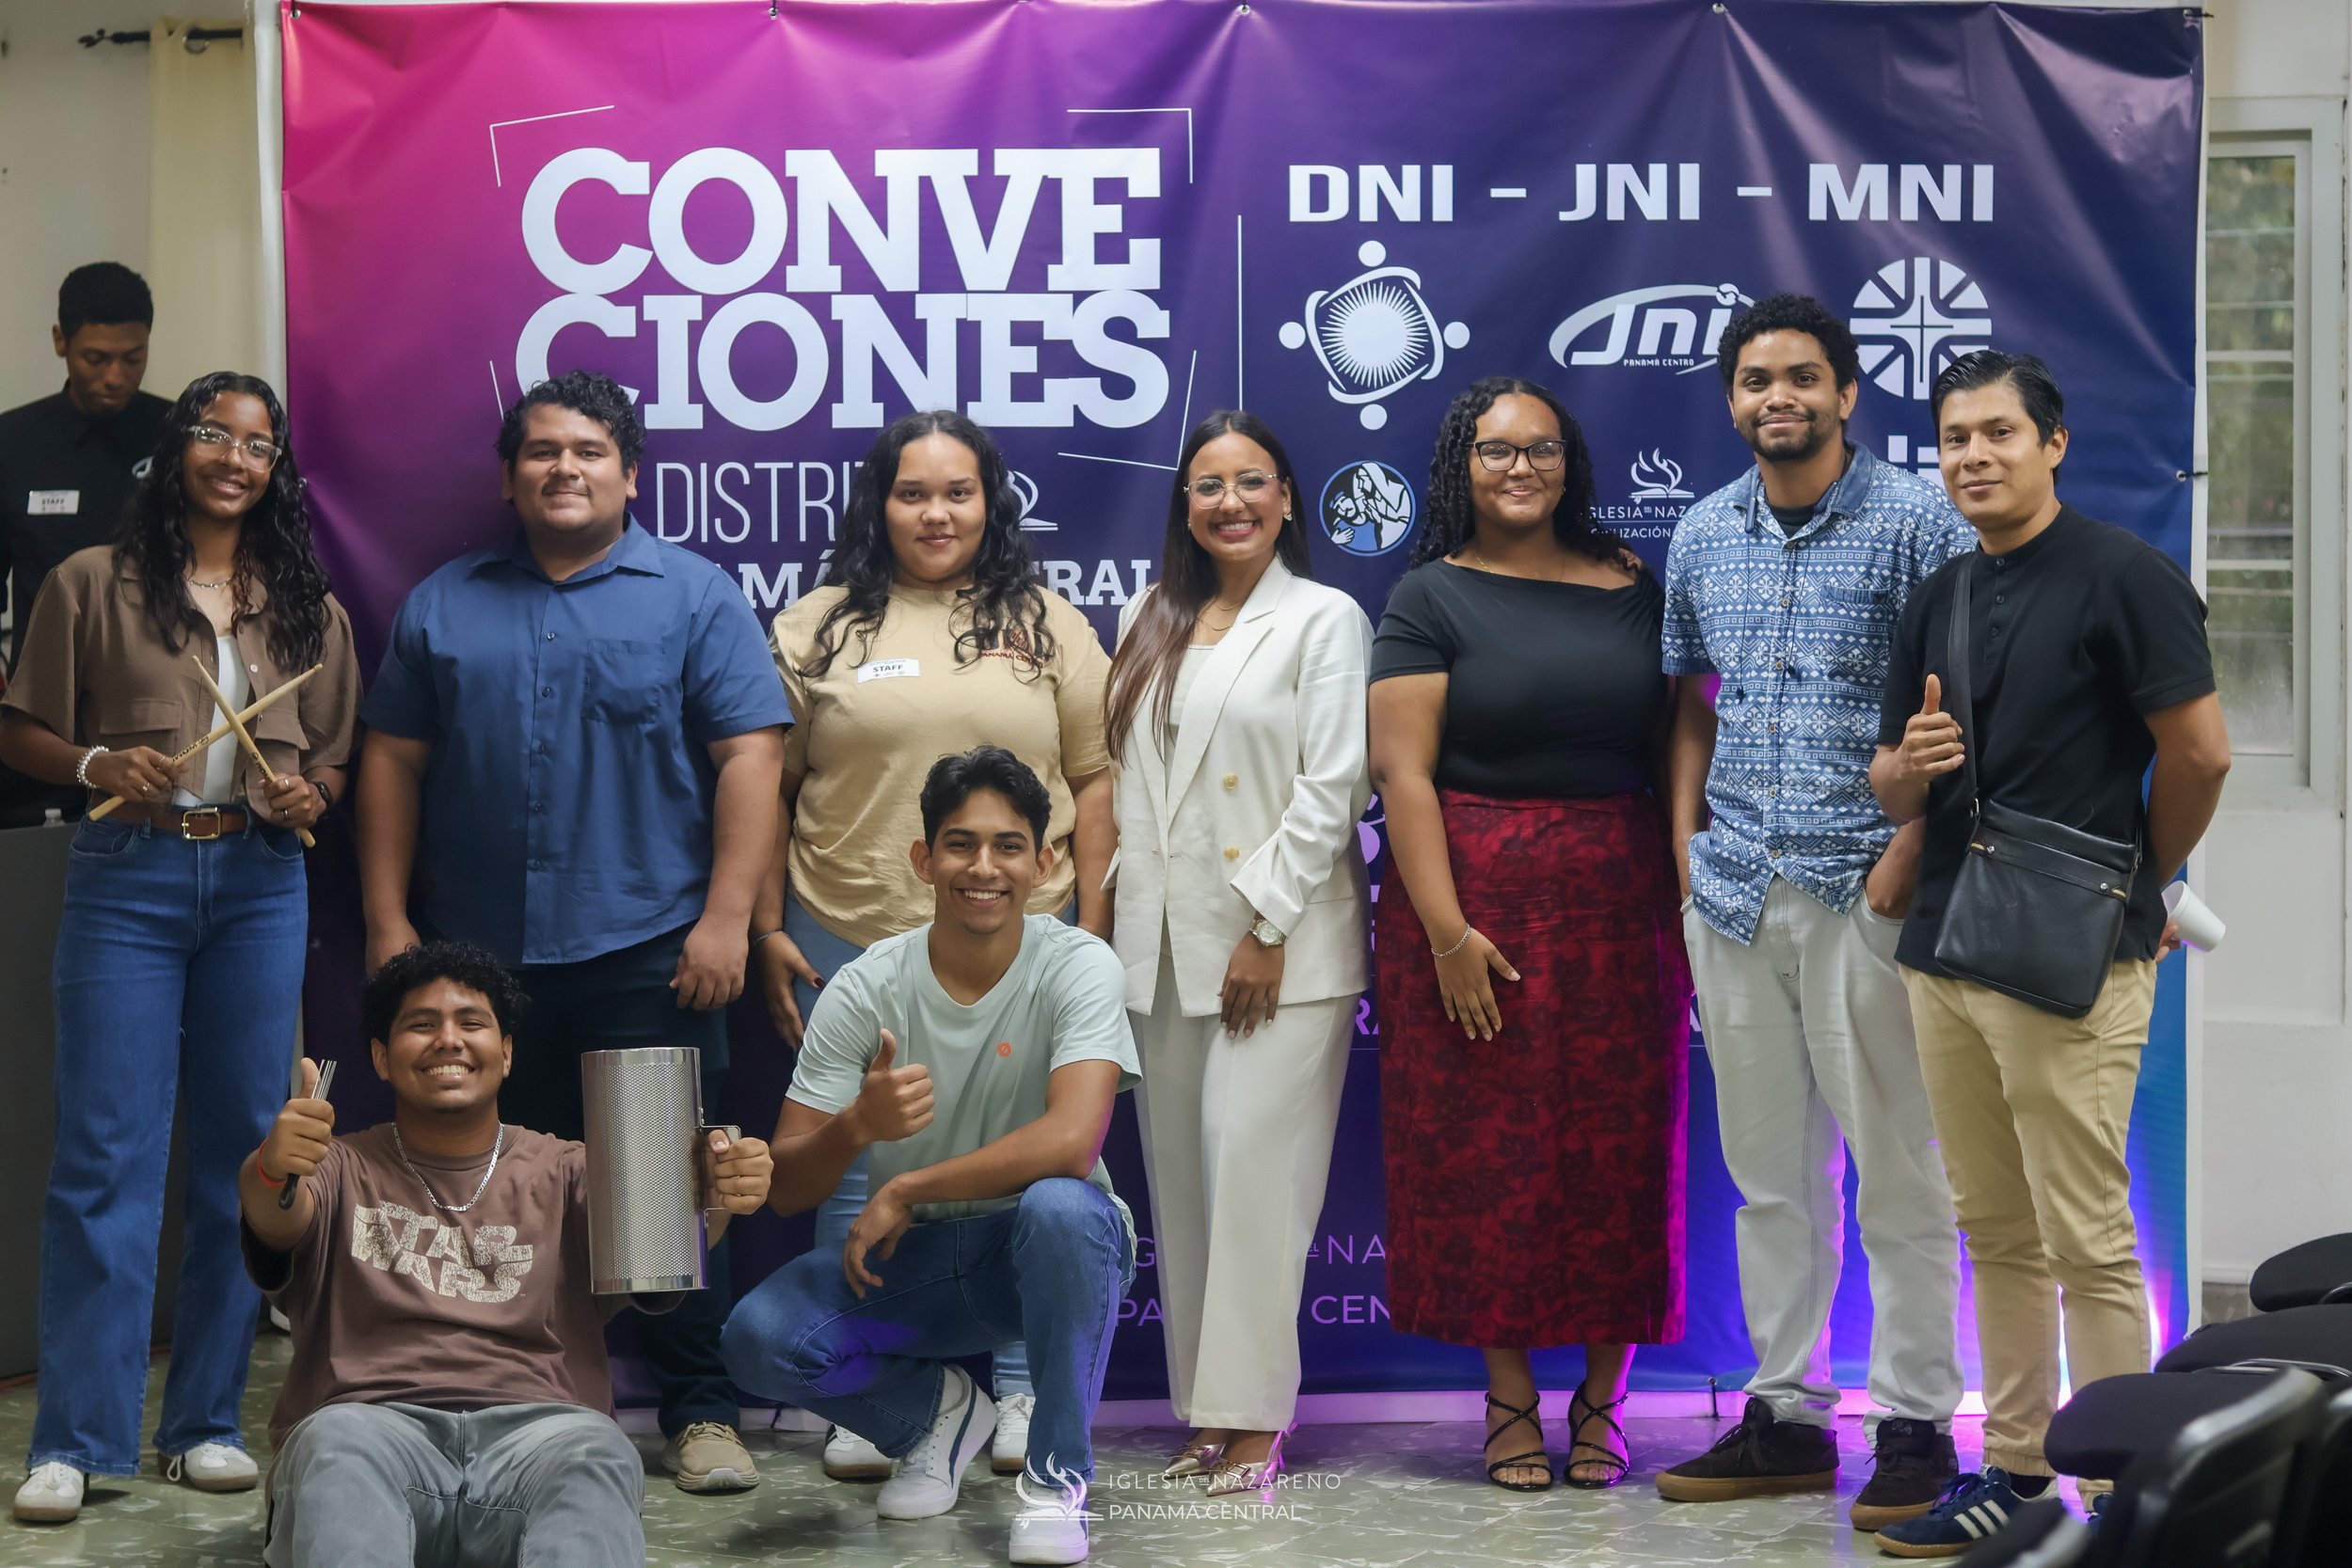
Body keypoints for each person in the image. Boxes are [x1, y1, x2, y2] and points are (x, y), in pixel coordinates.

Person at [356, 368, 788, 1494]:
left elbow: (751, 755)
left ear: (629, 473)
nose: (564, 468)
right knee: (498, 1194)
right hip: (477, 964)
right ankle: (520, 1402)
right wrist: (389, 918)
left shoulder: (694, 596)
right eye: (542, 450)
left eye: (589, 450)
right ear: (509, 476)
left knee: (666, 1194)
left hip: (650, 949)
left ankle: (700, 1412)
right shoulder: (443, 603)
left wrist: (727, 919)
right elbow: (392, 759)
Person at [1867, 351, 2230, 1556]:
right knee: (1994, 1228)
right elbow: (1889, 786)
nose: (1973, 455)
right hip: (1945, 948)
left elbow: (2201, 754)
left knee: (2087, 1235)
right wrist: (1906, 769)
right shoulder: (1941, 593)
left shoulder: (2123, 575)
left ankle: (2127, 1495)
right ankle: (2017, 1472)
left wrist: (2144, 876)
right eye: (1954, 437)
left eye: (1998, 432)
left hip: (2073, 955)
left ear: (2052, 443)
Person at [4, 372, 359, 1524]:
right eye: (212, 432)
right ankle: (79, 1438)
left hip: (261, 880)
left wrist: (310, 795)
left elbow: (334, 755)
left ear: (275, 469)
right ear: (177, 449)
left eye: (257, 443)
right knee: (104, 1155)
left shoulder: (306, 605)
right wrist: (98, 764)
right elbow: (22, 729)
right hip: (129, 874)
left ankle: (204, 1420)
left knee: (246, 1157)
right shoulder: (90, 581)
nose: (233, 456)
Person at [1653, 294, 1971, 1527]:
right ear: (1731, 399)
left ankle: (1915, 1421)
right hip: (1735, 892)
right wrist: (1687, 851)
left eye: (1799, 376)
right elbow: (1692, 700)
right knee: (1769, 1178)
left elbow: (1969, 708)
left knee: (1897, 1169)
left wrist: (1911, 845)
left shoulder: (1918, 521)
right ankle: (1785, 1413)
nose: (1775, 396)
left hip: (1866, 890)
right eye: (1754, 379)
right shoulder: (1702, 531)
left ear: (1845, 392)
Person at [754, 409, 1113, 1479]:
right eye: (912, 493)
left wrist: (1090, 926)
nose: (936, 513)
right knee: (857, 1155)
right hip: (845, 925)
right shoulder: (818, 626)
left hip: (1019, 939)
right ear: (881, 505)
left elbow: (1094, 782)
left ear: (990, 503)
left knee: (1017, 1168)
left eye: (959, 492)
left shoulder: (1049, 624)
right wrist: (766, 924)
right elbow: (768, 783)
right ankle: (867, 1390)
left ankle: (1021, 1389)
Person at [1369, 377, 1690, 1492]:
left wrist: (1683, 886)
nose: (1520, 468)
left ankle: (1605, 1399)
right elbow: (1402, 774)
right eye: (1496, 450)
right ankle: (1507, 1399)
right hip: (1472, 908)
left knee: (1622, 1150)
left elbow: (1676, 739)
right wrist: (1446, 932)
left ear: (1570, 462)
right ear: (1462, 464)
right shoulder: (1429, 593)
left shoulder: (1630, 582)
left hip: (1619, 901)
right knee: (1482, 1155)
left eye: (1541, 448)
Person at [723, 747, 1137, 1567]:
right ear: (923, 858)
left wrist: (907, 1184)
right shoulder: (864, 985)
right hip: (915, 1264)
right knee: (757, 1337)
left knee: (1062, 1206)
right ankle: (933, 1417)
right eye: (960, 843)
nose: (984, 867)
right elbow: (788, 1185)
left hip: (1042, 1251)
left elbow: (1072, 1142)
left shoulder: (1080, 963)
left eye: (1009, 845)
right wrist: (856, 1126)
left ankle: (1055, 1482)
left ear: (1043, 864)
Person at [240, 940, 775, 1568]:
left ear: (508, 1052)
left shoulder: (571, 1169)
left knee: (597, 1450)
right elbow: (273, 1213)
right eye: (421, 1024)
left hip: (541, 1435)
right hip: (370, 1429)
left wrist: (716, 1195)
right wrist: (271, 1167)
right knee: (334, 1443)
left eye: (471, 1022)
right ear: (381, 1057)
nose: (449, 1040)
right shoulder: (336, 1165)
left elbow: (662, 1251)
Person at [1103, 409, 1370, 1493]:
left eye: (1251, 480)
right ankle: (1206, 1412)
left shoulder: (1323, 618)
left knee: (1256, 1176)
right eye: (1208, 484)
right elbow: (1130, 790)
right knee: (1185, 1188)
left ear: (1286, 497)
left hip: (1280, 951)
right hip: (1164, 945)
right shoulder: (1147, 613)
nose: (1230, 502)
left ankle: (1258, 1415)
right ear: (1185, 504)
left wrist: (1265, 925)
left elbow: (1333, 785)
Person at [0, 262, 170, 825]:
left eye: (133, 358)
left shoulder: (178, 436)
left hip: (158, 709)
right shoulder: (12, 444)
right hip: (43, 720)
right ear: (61, 341)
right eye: (96, 358)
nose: (115, 376)